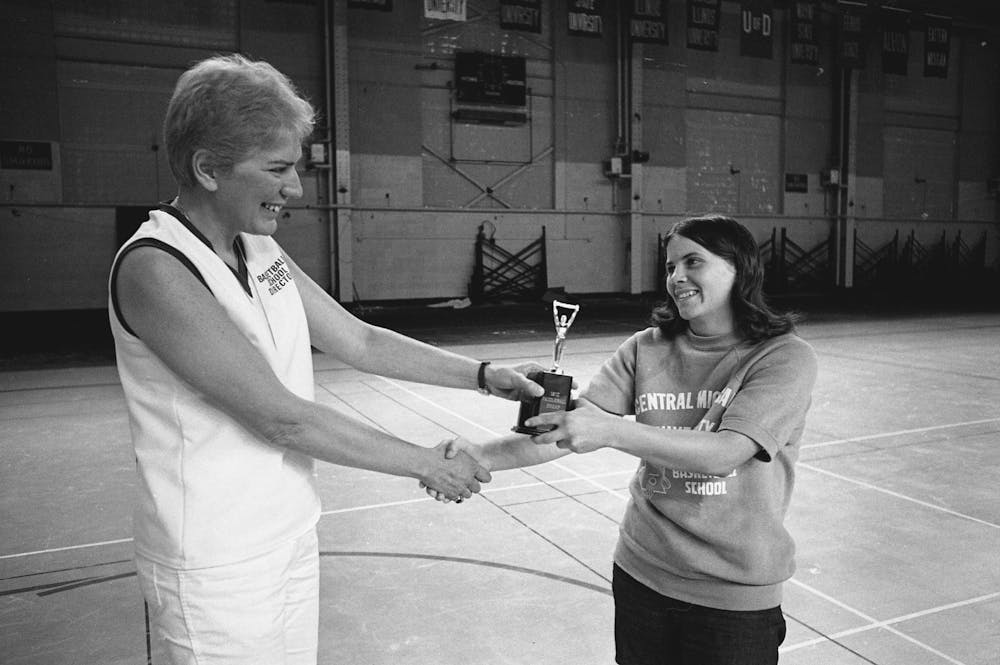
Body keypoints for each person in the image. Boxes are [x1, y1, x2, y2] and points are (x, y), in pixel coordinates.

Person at [107, 53, 544, 665]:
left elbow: (359, 340)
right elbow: (280, 418)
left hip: (288, 529)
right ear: (208, 168)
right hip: (215, 559)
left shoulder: (258, 249)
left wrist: (482, 377)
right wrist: (425, 463)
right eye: (277, 168)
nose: (295, 187)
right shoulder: (157, 266)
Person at [431, 215, 818, 665]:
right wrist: (480, 456)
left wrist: (611, 430)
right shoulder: (646, 347)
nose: (676, 277)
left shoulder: (783, 356)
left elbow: (726, 452)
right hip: (642, 576)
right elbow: (569, 428)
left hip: (733, 596)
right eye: (670, 266)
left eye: (693, 262)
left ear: (740, 268)